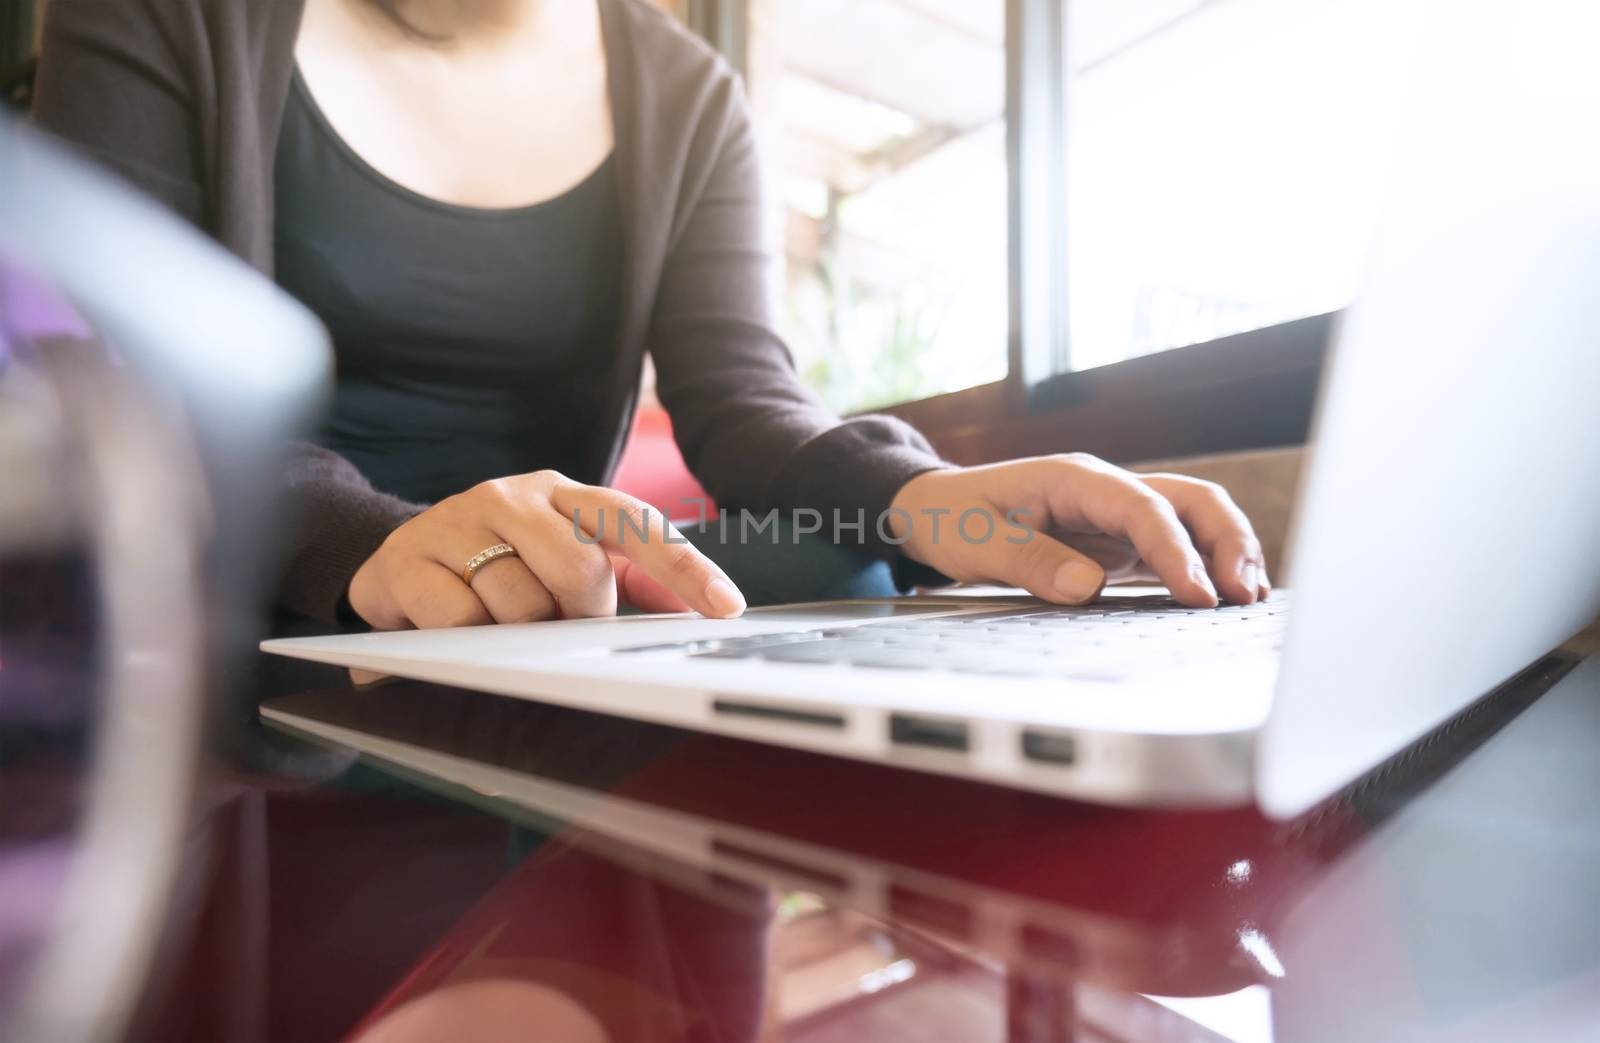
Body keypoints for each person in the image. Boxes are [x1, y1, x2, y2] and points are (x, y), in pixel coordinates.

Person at [31, 0, 1270, 632]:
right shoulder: (167, 16)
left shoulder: (689, 98)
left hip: (554, 616)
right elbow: (115, 397)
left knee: (848, 557)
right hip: (240, 600)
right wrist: (369, 542)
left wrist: (938, 495)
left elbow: (747, 408)